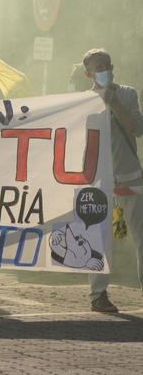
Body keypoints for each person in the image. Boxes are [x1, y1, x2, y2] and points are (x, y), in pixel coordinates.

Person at [82, 48, 143, 313]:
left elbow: (137, 129)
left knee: (140, 237)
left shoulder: (128, 93)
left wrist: (115, 103)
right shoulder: (82, 102)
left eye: (107, 65)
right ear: (88, 73)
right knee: (99, 238)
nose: (104, 70)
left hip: (130, 175)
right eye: (98, 67)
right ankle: (98, 295)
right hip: (99, 180)